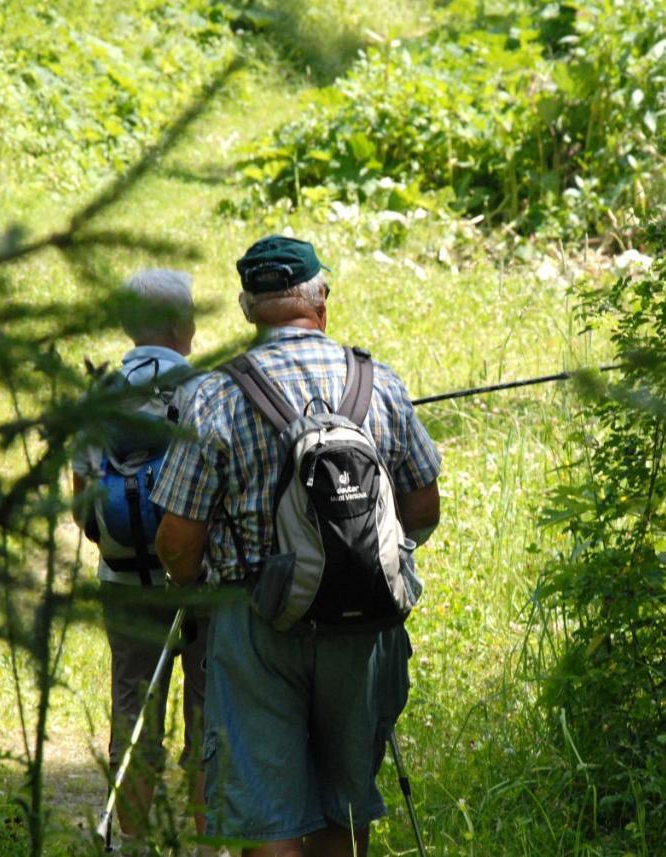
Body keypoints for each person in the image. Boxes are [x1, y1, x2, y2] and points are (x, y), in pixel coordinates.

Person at [153, 236, 442, 857]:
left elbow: (176, 538)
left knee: (269, 821)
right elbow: (423, 507)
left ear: (247, 308)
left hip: (255, 624)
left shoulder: (214, 395)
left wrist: (202, 595)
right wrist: (359, 561)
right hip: (365, 625)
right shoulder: (377, 383)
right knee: (345, 809)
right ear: (321, 301)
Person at [71, 268, 208, 846]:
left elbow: (82, 504)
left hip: (123, 581)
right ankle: (214, 842)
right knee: (210, 711)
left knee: (132, 708)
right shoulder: (205, 388)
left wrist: (116, 543)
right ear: (181, 326)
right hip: (203, 583)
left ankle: (130, 842)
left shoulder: (100, 392)